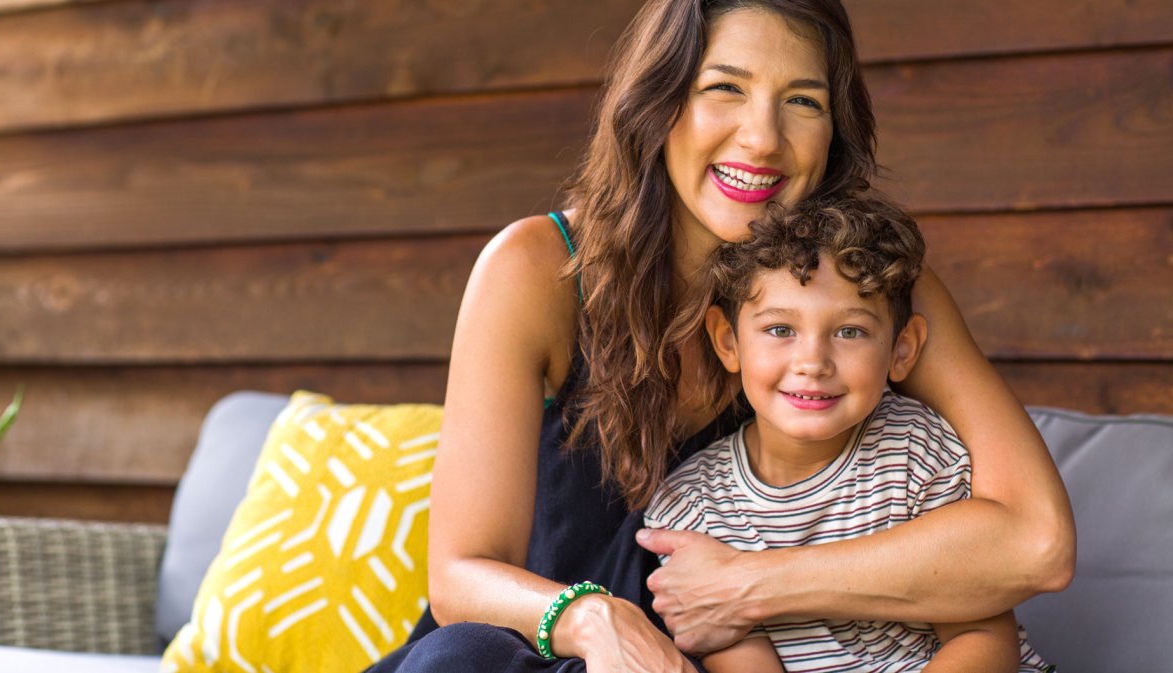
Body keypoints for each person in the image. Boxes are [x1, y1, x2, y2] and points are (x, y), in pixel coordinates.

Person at [364, 1, 1074, 672]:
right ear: (659, 102)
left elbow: (1039, 543)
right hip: (540, 647)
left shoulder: (870, 290)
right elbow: (460, 576)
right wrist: (596, 620)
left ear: (834, 133)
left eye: (803, 100)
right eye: (724, 87)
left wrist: (754, 585)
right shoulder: (538, 269)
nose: (763, 137)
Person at [645, 191, 1054, 673]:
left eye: (849, 332)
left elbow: (981, 634)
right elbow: (731, 651)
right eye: (780, 330)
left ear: (902, 349)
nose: (813, 363)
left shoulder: (917, 452)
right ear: (728, 342)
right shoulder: (692, 505)